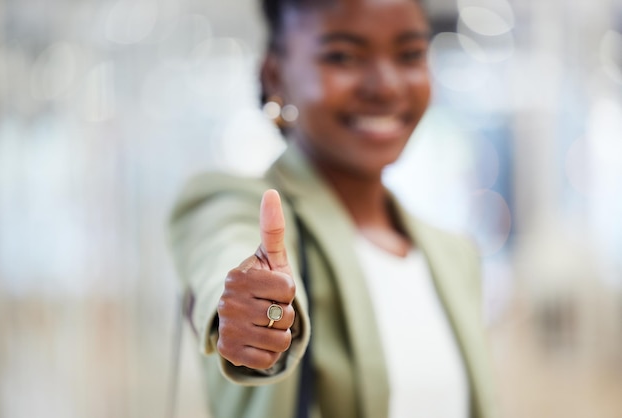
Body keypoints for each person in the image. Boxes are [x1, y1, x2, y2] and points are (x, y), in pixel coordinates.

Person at [169, 0, 496, 417]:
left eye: (410, 54)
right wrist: (249, 308)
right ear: (275, 76)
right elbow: (223, 253)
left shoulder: (454, 254)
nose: (386, 85)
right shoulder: (232, 205)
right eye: (343, 56)